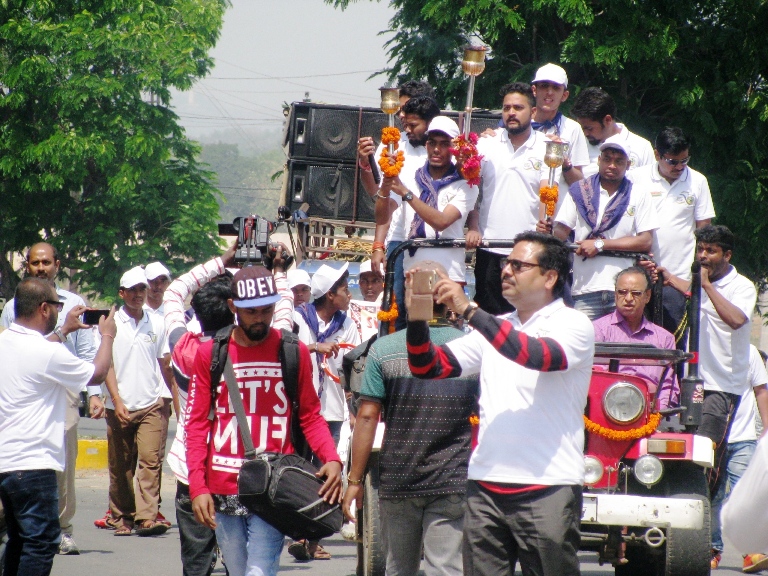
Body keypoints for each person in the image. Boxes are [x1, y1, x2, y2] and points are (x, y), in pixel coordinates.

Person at [406, 231, 594, 576]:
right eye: (507, 263)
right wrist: (417, 317)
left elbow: (536, 356)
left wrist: (469, 309)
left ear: (550, 277)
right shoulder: (496, 327)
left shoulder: (574, 323)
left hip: (547, 486)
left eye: (519, 265)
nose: (506, 270)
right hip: (485, 485)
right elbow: (427, 367)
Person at [185, 265, 342, 576]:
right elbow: (196, 425)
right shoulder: (211, 353)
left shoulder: (291, 349)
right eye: (251, 311)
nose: (260, 318)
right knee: (238, 569)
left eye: (267, 310)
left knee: (259, 572)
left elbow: (310, 415)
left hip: (273, 486)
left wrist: (332, 458)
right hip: (224, 485)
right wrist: (198, 487)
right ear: (233, 308)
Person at [164, 244, 295, 575]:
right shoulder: (269, 346)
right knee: (250, 560)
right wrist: (277, 270)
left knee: (197, 560)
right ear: (235, 311)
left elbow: (174, 293)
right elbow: (284, 310)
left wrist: (222, 259)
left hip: (190, 469)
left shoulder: (184, 348)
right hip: (248, 470)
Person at [343, 259, 479, 576]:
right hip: (451, 479)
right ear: (448, 298)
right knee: (445, 567)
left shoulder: (383, 350)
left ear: (408, 299)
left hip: (399, 480)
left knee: (399, 569)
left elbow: (366, 418)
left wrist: (354, 481)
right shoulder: (473, 349)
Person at [0, 277, 116, 576]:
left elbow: (39, 354)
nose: (58, 312)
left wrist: (64, 330)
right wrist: (107, 335)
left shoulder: (6, 341)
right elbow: (98, 372)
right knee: (40, 543)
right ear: (43, 308)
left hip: (7, 461)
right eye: (57, 306)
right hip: (34, 463)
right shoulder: (46, 353)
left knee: (18, 540)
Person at [656, 225, 756, 497]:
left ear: (727, 255)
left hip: (720, 387)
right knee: (685, 452)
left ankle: (707, 528)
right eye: (700, 249)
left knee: (706, 460)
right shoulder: (700, 285)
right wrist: (669, 277)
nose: (703, 256)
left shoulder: (741, 287)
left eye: (711, 251)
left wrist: (706, 286)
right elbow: (690, 289)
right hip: (690, 383)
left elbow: (736, 320)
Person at [549, 136, 659, 319]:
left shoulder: (639, 195)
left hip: (624, 291)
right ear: (599, 160)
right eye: (607, 159)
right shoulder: (579, 191)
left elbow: (645, 240)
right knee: (585, 345)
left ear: (628, 165)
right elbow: (561, 233)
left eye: (619, 161)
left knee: (621, 345)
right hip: (585, 288)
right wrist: (548, 232)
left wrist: (600, 245)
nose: (612, 165)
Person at [467, 82, 551, 315]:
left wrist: (544, 228)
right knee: (488, 320)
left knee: (528, 317)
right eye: (506, 108)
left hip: (528, 250)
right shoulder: (486, 144)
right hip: (490, 247)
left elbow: (548, 192)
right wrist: (473, 227)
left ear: (533, 112)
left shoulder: (547, 146)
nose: (511, 113)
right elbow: (471, 187)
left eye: (518, 107)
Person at [103, 265, 173, 536]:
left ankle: (147, 517)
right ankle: (122, 517)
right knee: (120, 466)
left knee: (150, 461)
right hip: (118, 404)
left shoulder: (156, 322)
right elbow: (106, 363)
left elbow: (163, 363)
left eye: (142, 288)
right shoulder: (111, 323)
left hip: (151, 402)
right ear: (122, 293)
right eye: (132, 290)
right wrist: (115, 399)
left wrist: (172, 399)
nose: (139, 294)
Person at [629, 127, 715, 338]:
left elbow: (705, 230)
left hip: (677, 279)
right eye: (672, 161)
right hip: (639, 273)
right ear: (657, 154)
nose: (679, 167)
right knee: (639, 340)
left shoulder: (698, 181)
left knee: (674, 342)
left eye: (684, 161)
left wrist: (700, 271)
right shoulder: (635, 178)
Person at [368, 95, 441, 329]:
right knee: (397, 308)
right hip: (400, 240)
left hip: (436, 241)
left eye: (413, 125)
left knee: (430, 312)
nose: (406, 130)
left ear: (430, 123)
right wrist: (379, 245)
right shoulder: (393, 148)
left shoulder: (444, 152)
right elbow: (386, 203)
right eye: (405, 124)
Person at [383, 116, 479, 282]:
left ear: (454, 148)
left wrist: (407, 194)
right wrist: (384, 184)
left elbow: (442, 222)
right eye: (432, 143)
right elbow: (385, 218)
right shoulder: (410, 179)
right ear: (426, 145)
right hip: (413, 273)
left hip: (449, 275)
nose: (436, 149)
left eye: (444, 144)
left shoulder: (465, 186)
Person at [710, 346, 768, 571]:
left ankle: (751, 551)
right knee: (713, 495)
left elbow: (761, 390)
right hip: (713, 436)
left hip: (743, 438)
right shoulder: (704, 347)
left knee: (746, 494)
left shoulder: (749, 351)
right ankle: (713, 549)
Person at [592, 266, 678, 409]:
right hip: (606, 409)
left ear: (648, 296)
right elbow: (592, 379)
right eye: (622, 292)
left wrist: (657, 415)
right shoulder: (597, 330)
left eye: (636, 293)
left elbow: (668, 388)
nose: (628, 298)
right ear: (615, 294)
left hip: (650, 414)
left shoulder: (664, 339)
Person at [530, 63, 590, 192]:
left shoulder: (573, 128)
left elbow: (580, 183)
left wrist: (564, 162)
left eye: (556, 88)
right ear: (534, 90)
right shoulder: (520, 125)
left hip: (557, 208)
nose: (549, 92)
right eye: (544, 86)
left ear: (564, 95)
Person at [570, 87, 654, 177]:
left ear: (607, 120)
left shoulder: (642, 148)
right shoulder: (577, 144)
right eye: (581, 128)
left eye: (589, 128)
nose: (585, 133)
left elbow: (650, 185)